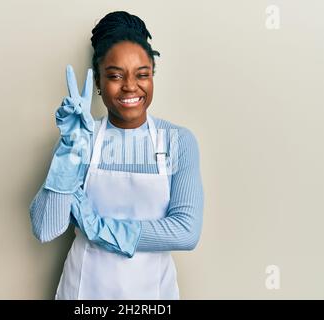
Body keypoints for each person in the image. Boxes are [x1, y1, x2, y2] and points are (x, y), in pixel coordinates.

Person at [29, 11, 204, 300]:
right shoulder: (82, 139)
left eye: (142, 74)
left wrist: (97, 229)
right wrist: (69, 152)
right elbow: (45, 228)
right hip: (83, 293)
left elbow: (186, 232)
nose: (130, 86)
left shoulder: (178, 142)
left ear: (152, 76)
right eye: (115, 75)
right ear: (98, 81)